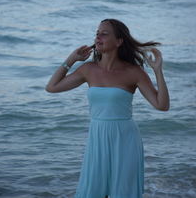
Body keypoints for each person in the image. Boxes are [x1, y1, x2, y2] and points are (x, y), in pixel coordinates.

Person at [45, 18, 170, 198]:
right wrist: (71, 59)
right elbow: (52, 87)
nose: (98, 37)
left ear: (119, 41)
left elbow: (162, 105)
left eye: (104, 33)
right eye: (97, 33)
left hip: (125, 138)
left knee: (123, 192)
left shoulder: (133, 72)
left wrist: (158, 71)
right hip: (97, 136)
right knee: (93, 191)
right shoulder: (88, 69)